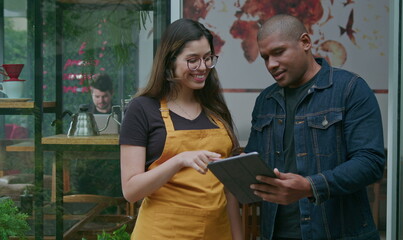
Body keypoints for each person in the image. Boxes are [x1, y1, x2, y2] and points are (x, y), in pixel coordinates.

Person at [244, 14, 385, 240]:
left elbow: (370, 162)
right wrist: (229, 165)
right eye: (265, 57)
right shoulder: (265, 101)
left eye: (279, 52)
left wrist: (311, 186)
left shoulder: (350, 89)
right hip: (277, 234)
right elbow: (254, 162)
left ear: (305, 42)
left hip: (339, 233)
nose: (271, 64)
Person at [119, 18, 243, 239]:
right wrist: (179, 160)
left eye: (207, 58)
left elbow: (230, 189)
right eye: (192, 60)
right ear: (170, 62)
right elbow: (131, 190)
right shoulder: (143, 109)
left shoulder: (215, 109)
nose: (203, 67)